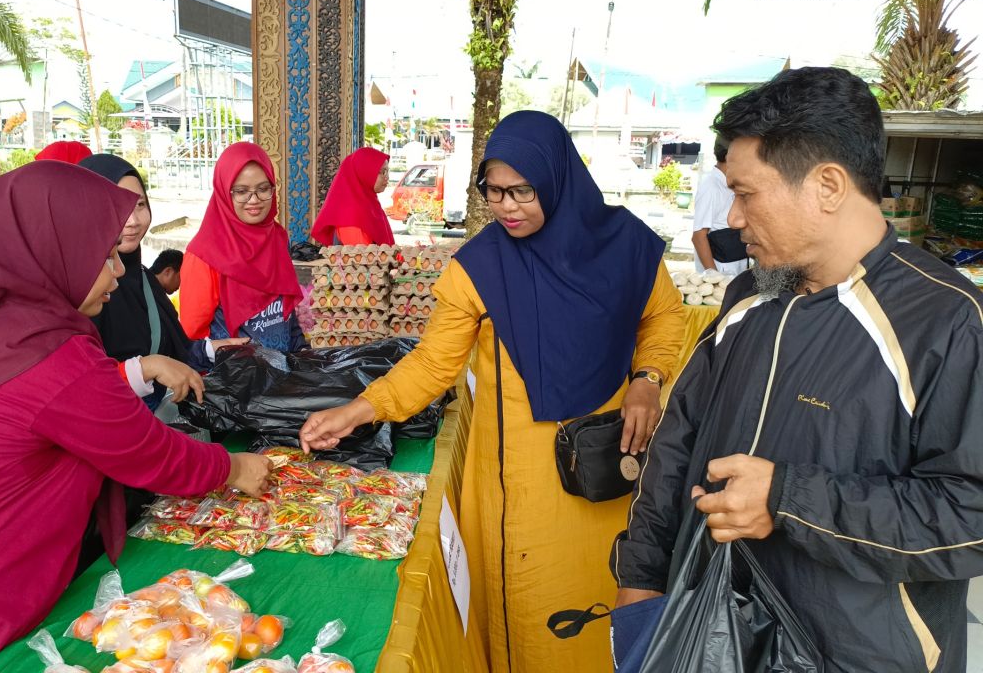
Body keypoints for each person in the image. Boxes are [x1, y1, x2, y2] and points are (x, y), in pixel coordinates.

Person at [613, 67, 983, 673]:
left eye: (747, 193)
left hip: (856, 653)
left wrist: (790, 500)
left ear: (828, 185)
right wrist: (641, 575)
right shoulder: (751, 297)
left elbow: (971, 515)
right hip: (706, 632)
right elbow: (676, 444)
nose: (732, 218)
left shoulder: (946, 323)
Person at [0, 162, 273, 672]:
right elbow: (148, 453)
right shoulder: (52, 356)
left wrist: (138, 370)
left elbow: (41, 409)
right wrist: (235, 468)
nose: (118, 269)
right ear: (51, 253)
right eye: (104, 254)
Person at [300, 111, 685, 671]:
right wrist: (361, 410)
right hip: (522, 482)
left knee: (605, 601)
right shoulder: (479, 268)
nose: (506, 207)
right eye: (493, 191)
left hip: (608, 465)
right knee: (533, 616)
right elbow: (434, 364)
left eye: (521, 191)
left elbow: (665, 318)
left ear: (557, 178)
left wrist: (647, 382)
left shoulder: (625, 243)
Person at [77, 155, 214, 410]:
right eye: (116, 206)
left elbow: (175, 350)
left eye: (139, 204)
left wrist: (213, 349)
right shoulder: (72, 289)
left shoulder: (144, 279)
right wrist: (145, 368)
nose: (132, 221)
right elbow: (73, 384)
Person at [179, 142, 305, 365]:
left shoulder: (278, 239)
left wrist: (302, 354)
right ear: (223, 191)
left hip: (282, 378)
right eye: (241, 191)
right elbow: (192, 340)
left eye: (263, 188)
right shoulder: (203, 255)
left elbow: (287, 314)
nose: (254, 200)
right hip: (233, 386)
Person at [310, 147, 395, 246]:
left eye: (387, 171)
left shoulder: (370, 205)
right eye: (383, 172)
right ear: (365, 173)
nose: (387, 177)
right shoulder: (351, 215)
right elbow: (364, 257)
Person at [691, 139, 750, 276]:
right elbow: (698, 236)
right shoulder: (711, 187)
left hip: (737, 265)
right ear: (730, 155)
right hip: (720, 270)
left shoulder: (731, 183)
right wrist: (715, 278)